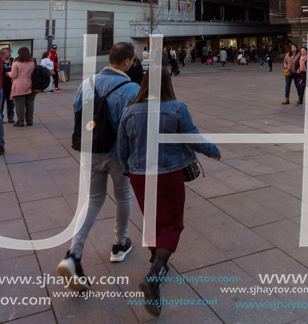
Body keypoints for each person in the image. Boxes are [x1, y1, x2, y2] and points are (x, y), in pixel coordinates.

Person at [117, 67, 221, 315]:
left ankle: (156, 260)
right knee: (172, 224)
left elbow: (122, 149)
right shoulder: (176, 108)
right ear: (167, 83)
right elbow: (192, 138)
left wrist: (129, 170)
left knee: (152, 220)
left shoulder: (129, 111)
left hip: (139, 175)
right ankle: (154, 275)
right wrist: (213, 150)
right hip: (167, 174)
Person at [57, 42, 140, 291]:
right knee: (123, 195)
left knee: (93, 201)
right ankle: (119, 245)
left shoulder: (87, 83)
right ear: (127, 61)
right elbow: (133, 125)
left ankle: (74, 253)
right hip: (118, 154)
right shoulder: (132, 88)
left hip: (90, 150)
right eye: (133, 61)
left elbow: (76, 111)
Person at [9, 47, 37, 125]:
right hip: (32, 84)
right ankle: (30, 121)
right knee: (30, 104)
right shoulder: (34, 62)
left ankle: (20, 121)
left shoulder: (16, 63)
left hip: (19, 85)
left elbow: (14, 75)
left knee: (19, 104)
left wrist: (9, 73)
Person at [0, 47, 15, 123]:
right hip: (1, 85)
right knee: (0, 103)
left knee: (11, 102)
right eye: (7, 52)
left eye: (10, 52)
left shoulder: (13, 61)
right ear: (2, 54)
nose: (10, 54)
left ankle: (11, 117)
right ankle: (0, 118)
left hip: (11, 85)